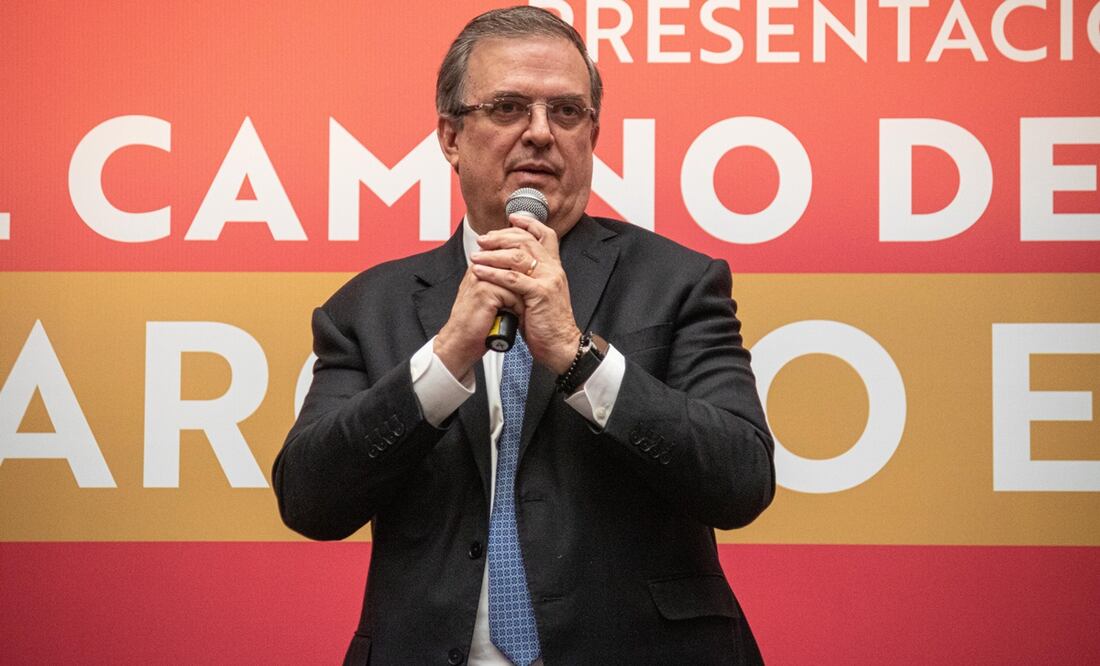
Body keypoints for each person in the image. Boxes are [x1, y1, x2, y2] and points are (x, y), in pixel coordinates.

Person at [273, 6, 775, 665]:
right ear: (450, 136)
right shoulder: (368, 308)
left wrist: (577, 356)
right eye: (509, 108)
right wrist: (446, 359)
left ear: (592, 134)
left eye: (566, 112)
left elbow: (741, 479)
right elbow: (311, 501)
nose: (540, 134)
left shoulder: (679, 283)